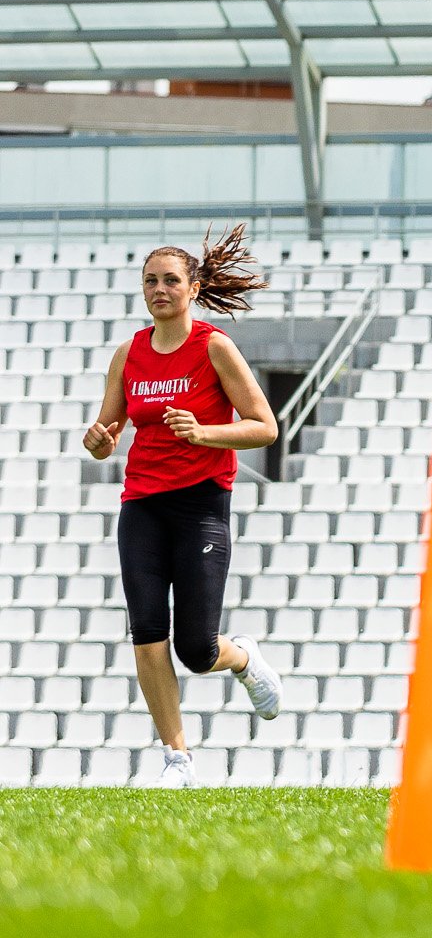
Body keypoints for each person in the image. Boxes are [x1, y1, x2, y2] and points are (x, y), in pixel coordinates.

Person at [81, 225, 284, 788]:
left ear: (193, 288)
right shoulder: (130, 353)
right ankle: (177, 759)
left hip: (200, 505)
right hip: (142, 505)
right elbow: (107, 432)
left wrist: (204, 433)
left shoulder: (214, 347)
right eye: (150, 281)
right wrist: (97, 441)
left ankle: (242, 657)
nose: (159, 289)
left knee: (196, 648)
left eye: (170, 280)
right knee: (147, 632)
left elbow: (265, 427)